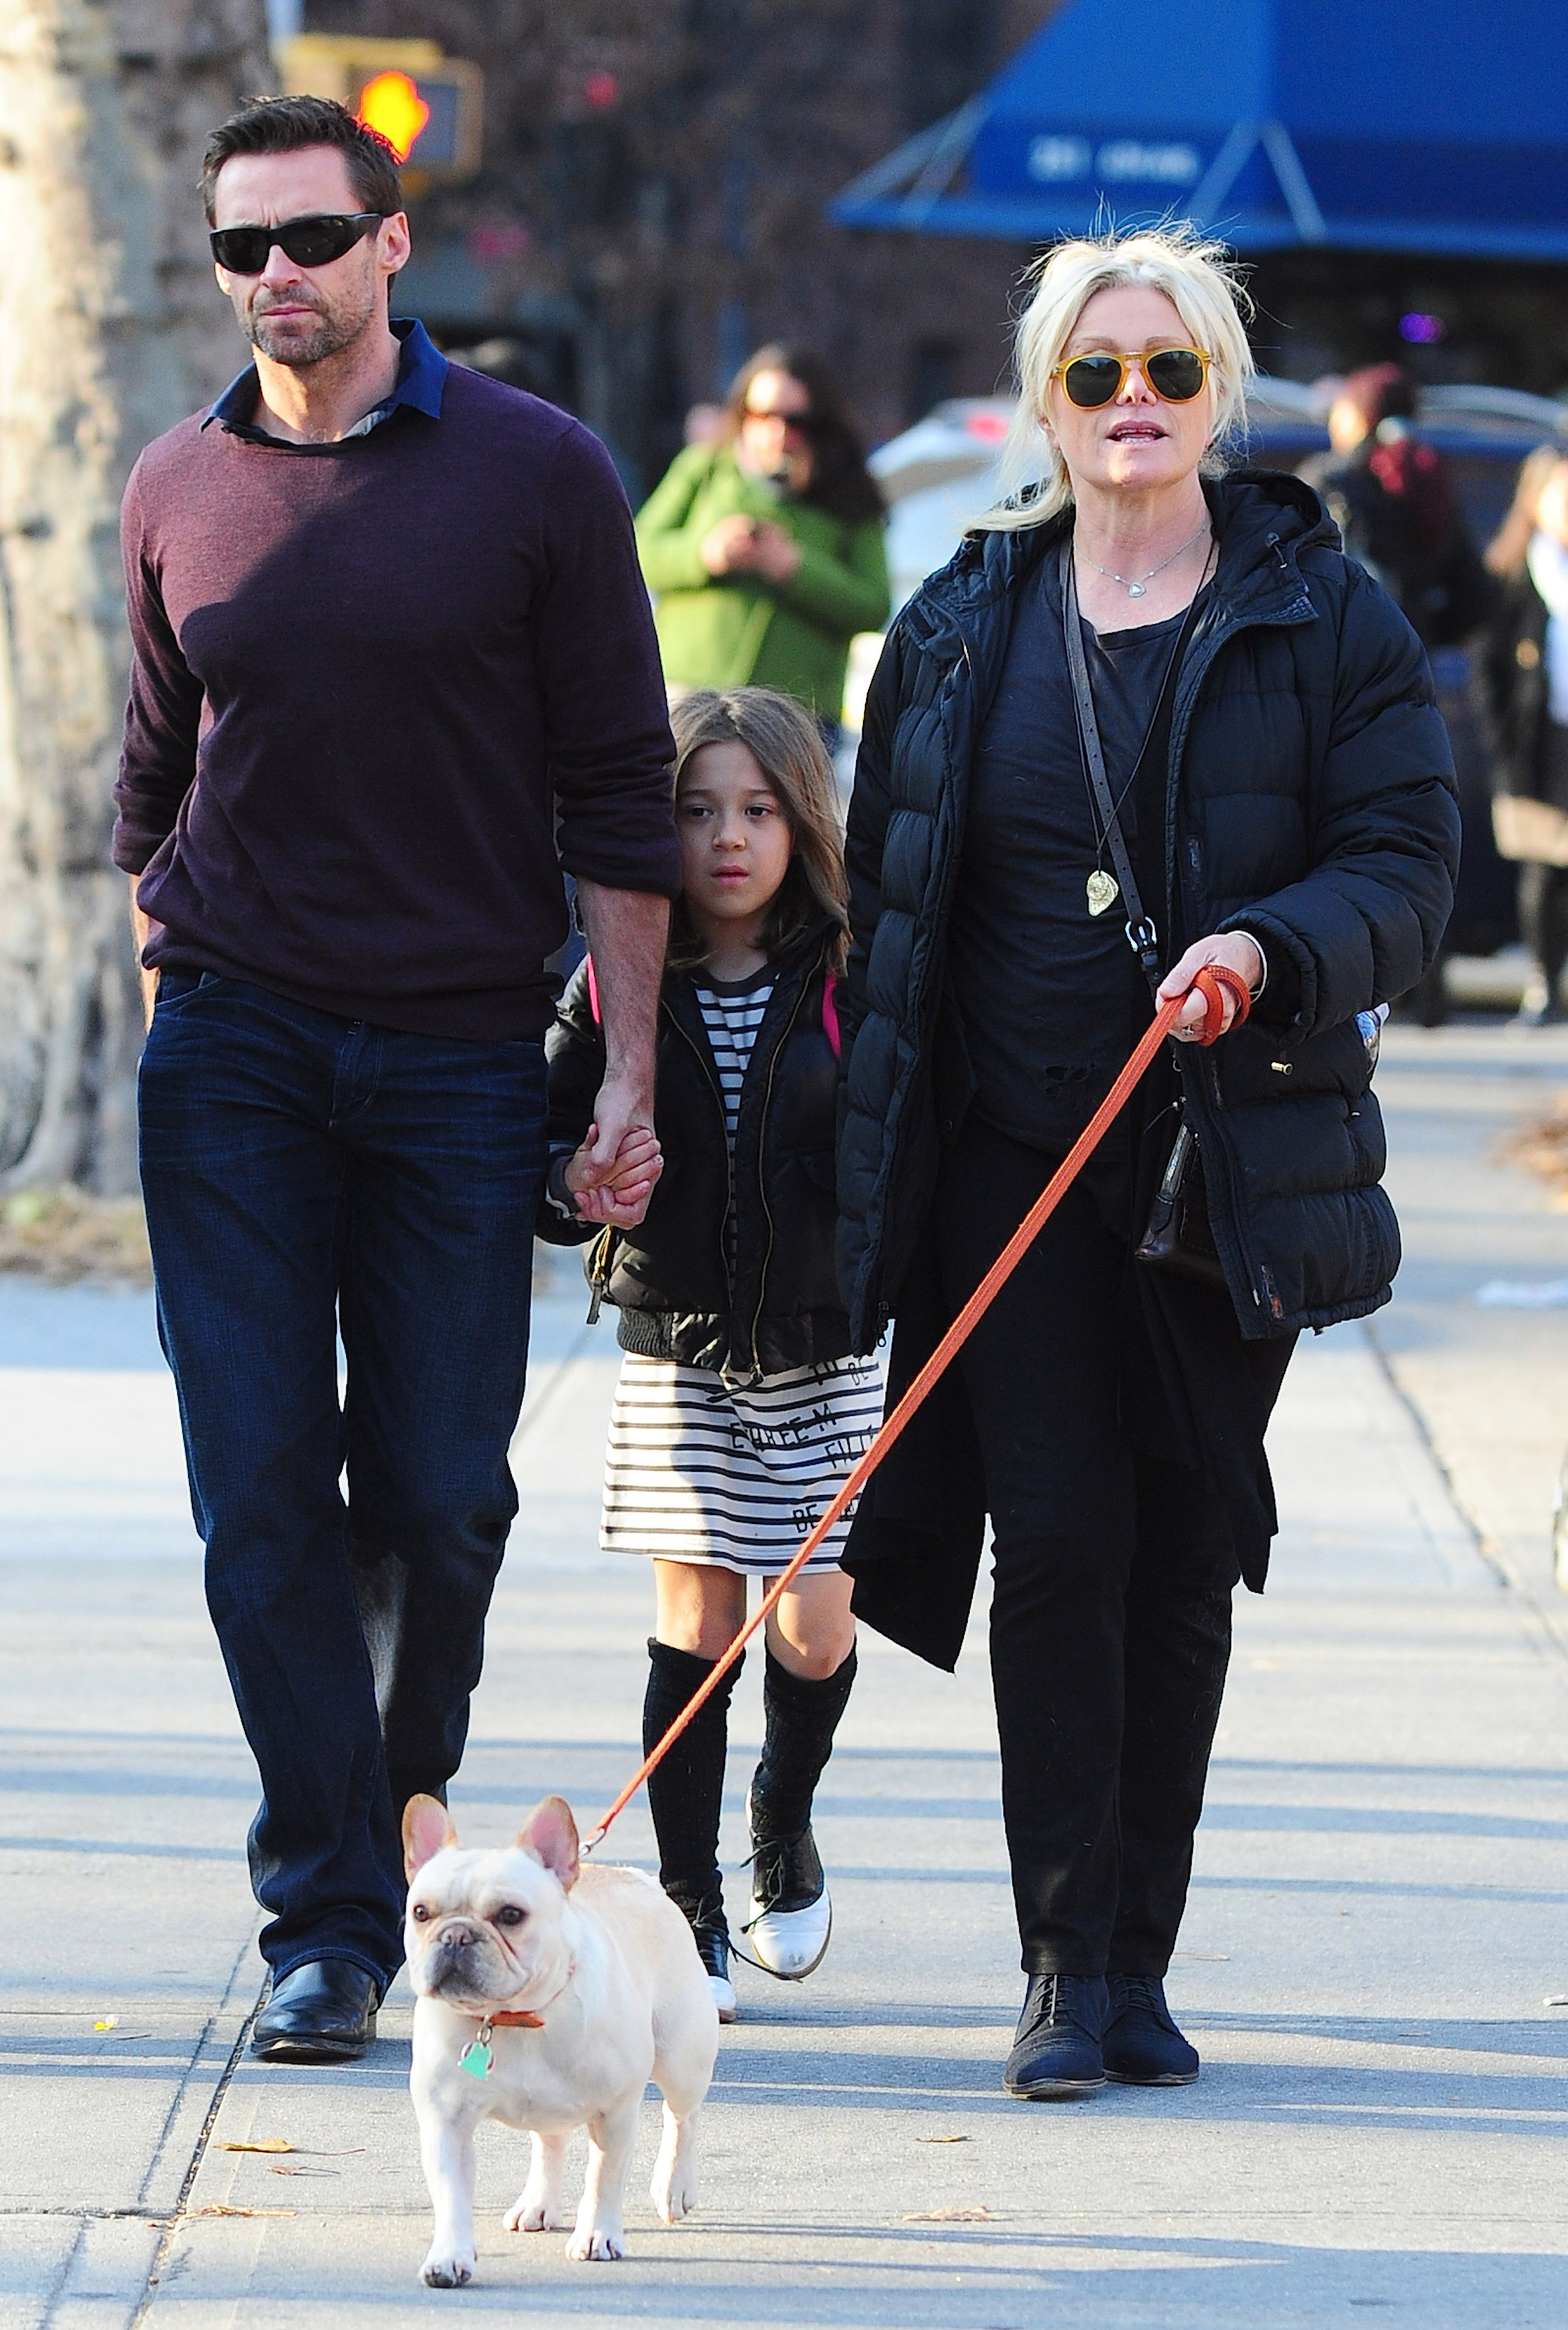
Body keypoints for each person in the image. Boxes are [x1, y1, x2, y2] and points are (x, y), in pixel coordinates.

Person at [836, 226, 1458, 2102]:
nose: (1130, 403)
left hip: (1218, 1161)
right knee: (1056, 1540)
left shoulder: (1315, 608)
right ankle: (1053, 1962)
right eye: (1093, 372)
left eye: (1165, 371)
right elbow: (883, 899)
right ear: (1044, 399)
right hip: (1003, 1162)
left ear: (1218, 394)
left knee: (1181, 1540)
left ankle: (1137, 1957)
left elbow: (1405, 865)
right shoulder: (958, 618)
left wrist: (1267, 948)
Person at [114, 96, 678, 2064]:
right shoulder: (175, 482)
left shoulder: (537, 470)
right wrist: (173, 985)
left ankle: (398, 1815)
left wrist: (622, 1073)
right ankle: (338, 1914)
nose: (275, 274)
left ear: (390, 245)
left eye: (310, 236)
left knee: (440, 1498)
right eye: (238, 247)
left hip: (453, 1049)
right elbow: (151, 784)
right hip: (238, 1050)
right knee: (258, 1498)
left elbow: (622, 792)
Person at [541, 688, 877, 2021]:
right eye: (694, 811)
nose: (726, 839)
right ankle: (688, 1907)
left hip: (823, 1349)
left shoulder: (853, 975)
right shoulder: (617, 974)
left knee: (811, 1621)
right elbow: (550, 1133)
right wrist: (576, 1182)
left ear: (801, 821)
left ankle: (779, 1818)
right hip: (676, 1347)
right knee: (699, 1623)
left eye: (755, 810)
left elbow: (907, 1133)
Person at [1306, 361, 1495, 1024]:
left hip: (1330, 688)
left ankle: (1347, 994)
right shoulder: (1430, 481)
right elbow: (1478, 595)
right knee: (1408, 835)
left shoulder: (1334, 482)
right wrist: (1423, 634)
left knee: (1331, 838)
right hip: (1411, 687)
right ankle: (1428, 989)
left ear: (1355, 415)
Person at [635, 348, 889, 730]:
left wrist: (794, 568)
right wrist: (705, 554)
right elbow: (637, 553)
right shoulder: (705, 468)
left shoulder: (850, 495)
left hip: (795, 713)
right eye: (761, 414)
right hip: (689, 694)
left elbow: (874, 604)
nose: (778, 432)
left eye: (796, 420)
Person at [1475, 447, 1568, 1023]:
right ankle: (1543, 981)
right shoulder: (1515, 571)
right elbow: (1489, 671)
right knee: (1543, 868)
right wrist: (1504, 744)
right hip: (1538, 741)